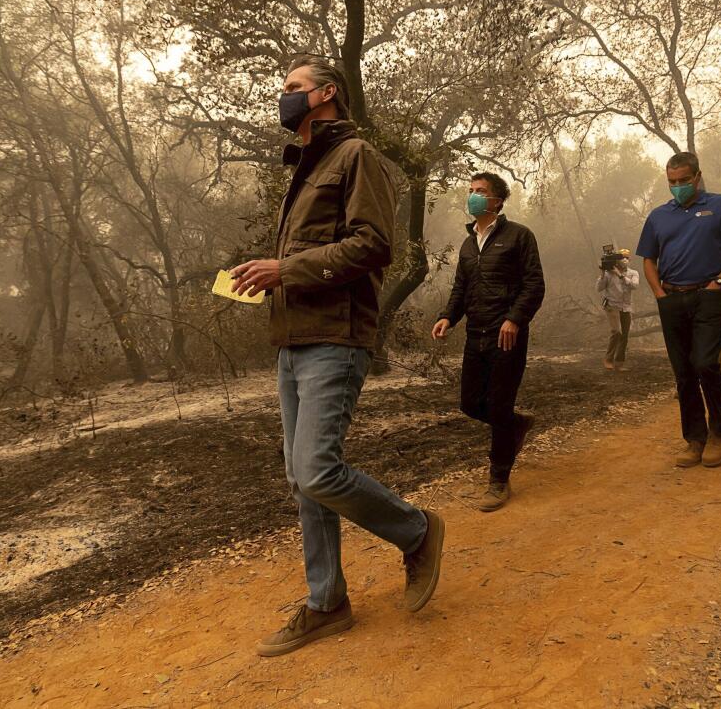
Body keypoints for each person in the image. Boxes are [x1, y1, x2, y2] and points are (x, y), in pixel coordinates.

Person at [231, 54, 444, 657]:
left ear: (327, 93)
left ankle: (418, 530)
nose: (285, 96)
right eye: (284, 88)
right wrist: (269, 276)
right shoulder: (305, 166)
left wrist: (285, 267)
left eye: (295, 87)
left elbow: (375, 246)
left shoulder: (356, 157)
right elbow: (313, 253)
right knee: (304, 481)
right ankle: (327, 603)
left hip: (336, 338)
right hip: (293, 341)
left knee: (319, 470)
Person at [432, 172, 545, 512]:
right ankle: (516, 424)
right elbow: (461, 290)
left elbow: (534, 285)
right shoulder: (469, 243)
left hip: (506, 335)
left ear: (497, 200)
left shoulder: (519, 236)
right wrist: (448, 317)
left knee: (497, 407)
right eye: (470, 191)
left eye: (480, 192)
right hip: (475, 334)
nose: (473, 197)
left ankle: (498, 480)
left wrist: (514, 318)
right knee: (469, 403)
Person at [636, 152, 721, 468]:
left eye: (684, 181)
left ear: (697, 177)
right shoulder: (658, 216)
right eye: (672, 182)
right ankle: (694, 440)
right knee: (683, 372)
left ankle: (719, 432)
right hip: (672, 298)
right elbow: (648, 259)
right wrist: (660, 294)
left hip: (709, 295)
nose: (678, 187)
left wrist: (719, 281)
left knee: (704, 363)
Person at [596, 248, 640, 371]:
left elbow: (634, 285)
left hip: (626, 307)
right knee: (616, 332)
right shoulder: (609, 274)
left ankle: (619, 362)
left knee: (625, 335)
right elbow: (599, 288)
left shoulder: (633, 273)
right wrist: (603, 274)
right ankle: (608, 359)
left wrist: (620, 275)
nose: (625, 260)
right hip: (611, 305)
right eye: (622, 258)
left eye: (627, 258)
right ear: (617, 260)